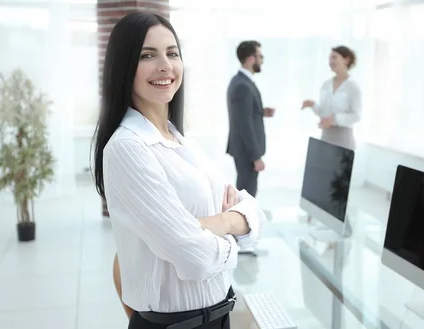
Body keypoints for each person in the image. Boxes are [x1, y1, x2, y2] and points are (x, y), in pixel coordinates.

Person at [92, 12, 265, 329]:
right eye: (147, 55)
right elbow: (195, 257)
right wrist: (235, 232)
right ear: (124, 65)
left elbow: (253, 208)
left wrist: (217, 222)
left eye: (172, 53)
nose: (165, 66)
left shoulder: (179, 139)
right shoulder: (127, 147)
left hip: (218, 315)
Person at [226, 40, 275, 198]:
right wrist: (256, 157)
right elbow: (244, 124)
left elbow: (243, 114)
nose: (262, 60)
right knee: (247, 196)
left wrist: (260, 112)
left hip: (243, 149)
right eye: (260, 56)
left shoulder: (241, 81)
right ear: (251, 59)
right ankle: (244, 223)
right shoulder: (243, 85)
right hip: (247, 152)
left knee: (246, 193)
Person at [301, 45, 361, 150]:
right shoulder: (326, 85)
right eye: (329, 58)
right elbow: (323, 112)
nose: (330, 61)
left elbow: (356, 115)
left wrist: (335, 119)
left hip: (344, 140)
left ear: (346, 60)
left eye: (334, 57)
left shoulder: (353, 87)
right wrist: (312, 105)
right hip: (326, 138)